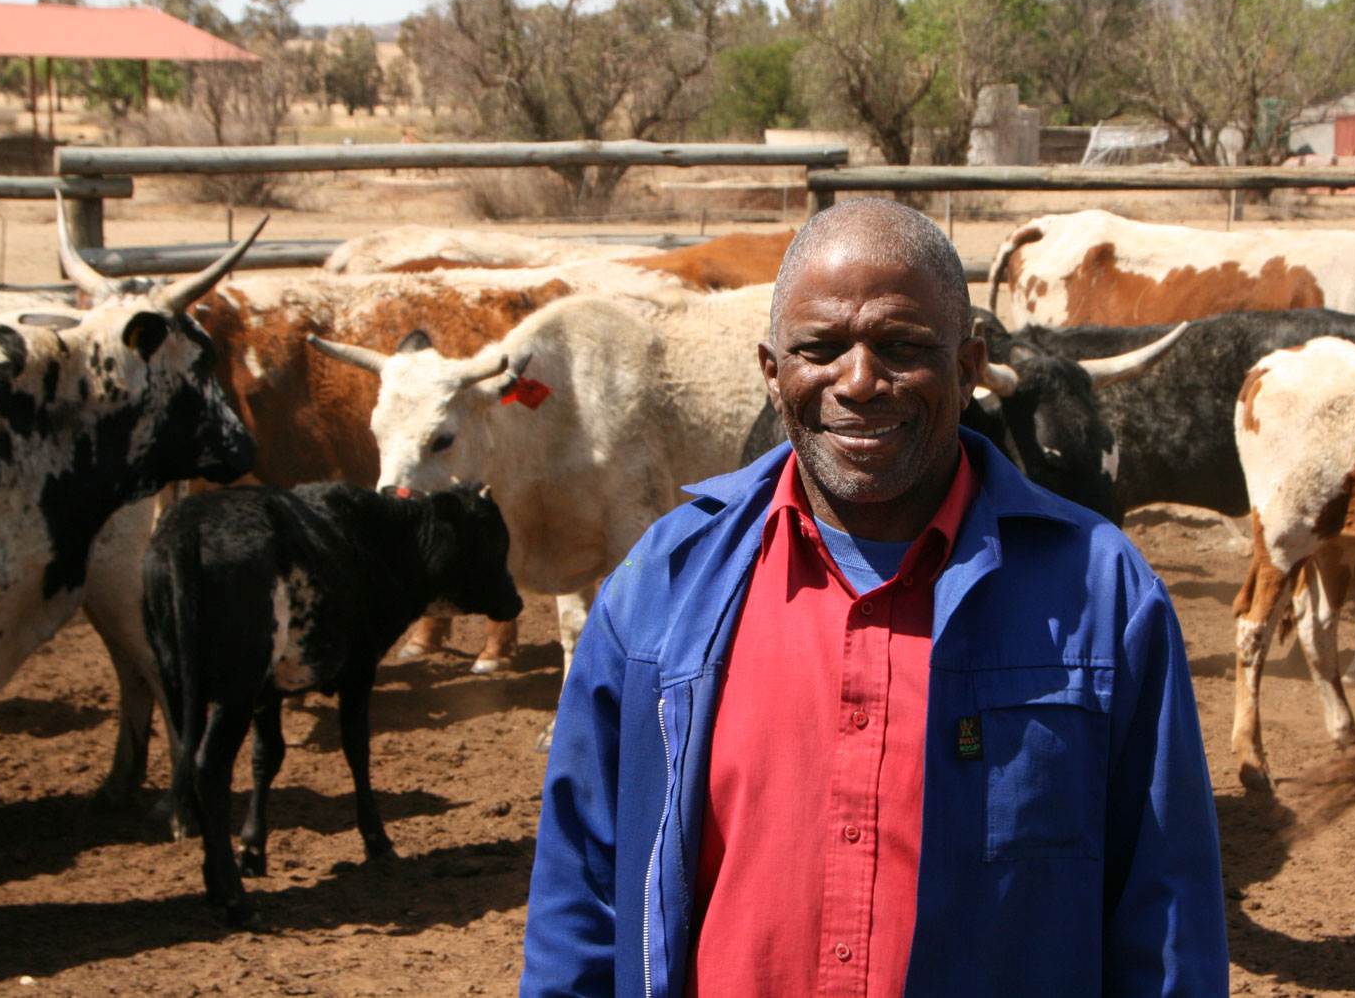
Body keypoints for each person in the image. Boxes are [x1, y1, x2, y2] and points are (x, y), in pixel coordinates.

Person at [520, 198, 1228, 997]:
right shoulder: (663, 586)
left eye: (901, 346)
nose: (858, 381)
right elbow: (580, 903)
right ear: (772, 372)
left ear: (969, 368)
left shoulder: (1103, 595)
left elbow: (1168, 924)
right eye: (820, 348)